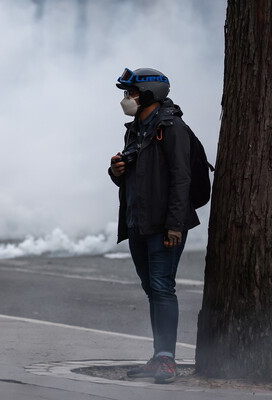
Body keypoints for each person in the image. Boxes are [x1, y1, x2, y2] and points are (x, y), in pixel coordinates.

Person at [109, 67, 200, 384]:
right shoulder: (136, 128)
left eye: (131, 93)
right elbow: (134, 175)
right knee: (152, 290)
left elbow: (181, 179)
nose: (126, 99)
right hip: (138, 223)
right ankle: (159, 355)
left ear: (149, 94)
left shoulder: (171, 127)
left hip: (164, 227)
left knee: (162, 289)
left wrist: (175, 225)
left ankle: (166, 360)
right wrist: (116, 171)